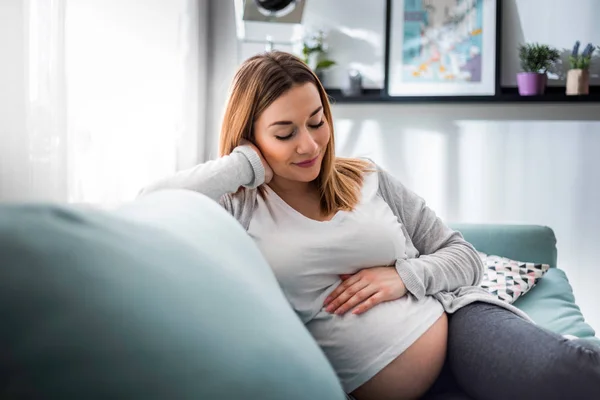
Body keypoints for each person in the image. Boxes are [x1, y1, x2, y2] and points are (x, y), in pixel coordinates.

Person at [140, 51, 600, 400]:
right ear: (250, 136)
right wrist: (240, 165)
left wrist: (404, 276)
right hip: (362, 378)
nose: (309, 145)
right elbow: (150, 207)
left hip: (457, 323)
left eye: (317, 122)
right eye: (284, 133)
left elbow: (464, 257)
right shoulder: (239, 205)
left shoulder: (365, 177)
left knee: (566, 372)